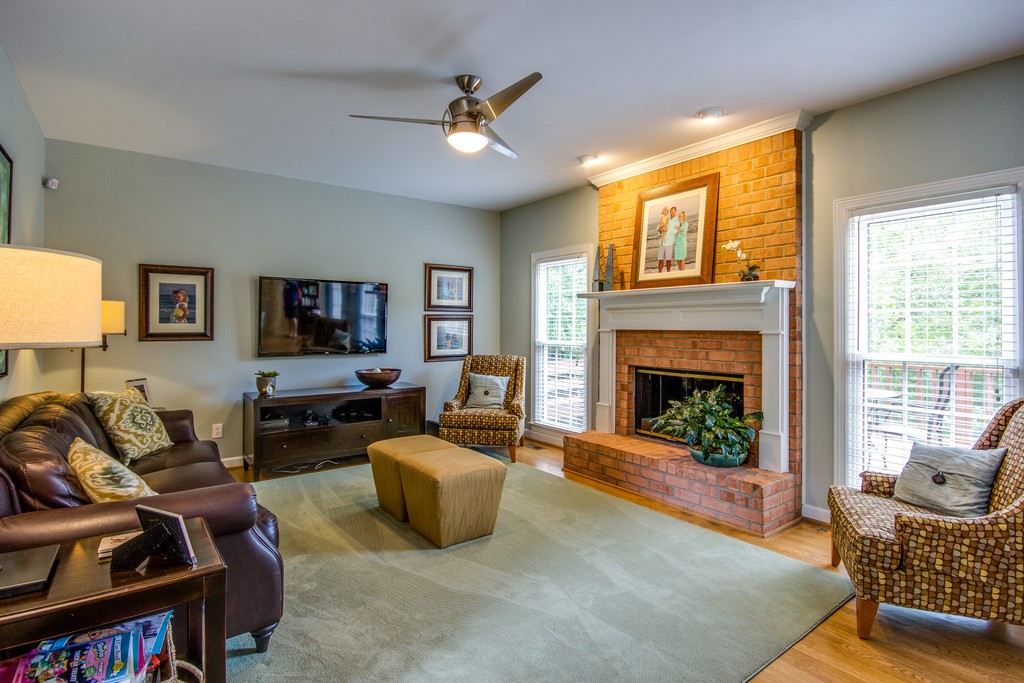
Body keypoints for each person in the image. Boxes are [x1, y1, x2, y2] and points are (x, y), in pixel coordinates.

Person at [659, 207, 680, 272]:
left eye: (673, 211)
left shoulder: (677, 221)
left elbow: (675, 231)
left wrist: (666, 229)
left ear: (676, 212)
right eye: (671, 211)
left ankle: (668, 272)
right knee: (660, 259)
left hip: (669, 243)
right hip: (662, 242)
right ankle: (659, 273)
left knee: (668, 260)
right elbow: (660, 228)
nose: (672, 213)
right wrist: (660, 230)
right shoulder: (667, 219)